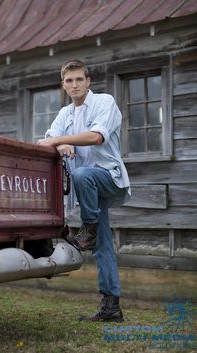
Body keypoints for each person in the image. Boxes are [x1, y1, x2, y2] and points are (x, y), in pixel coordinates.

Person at [37, 59, 131, 322]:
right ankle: (111, 306)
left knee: (82, 174)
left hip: (108, 177)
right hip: (87, 189)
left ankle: (87, 229)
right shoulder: (65, 114)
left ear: (88, 81)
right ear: (63, 85)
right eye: (69, 80)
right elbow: (45, 140)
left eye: (79, 79)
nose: (74, 84)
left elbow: (96, 137)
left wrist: (60, 140)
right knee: (103, 247)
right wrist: (57, 145)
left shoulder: (105, 102)